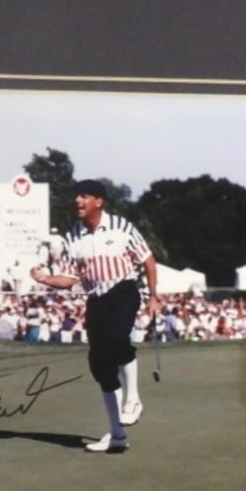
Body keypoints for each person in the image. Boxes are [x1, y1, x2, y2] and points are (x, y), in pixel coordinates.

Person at [30, 179, 158, 452]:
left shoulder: (122, 228)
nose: (77, 201)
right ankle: (117, 435)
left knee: (117, 339)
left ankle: (133, 399)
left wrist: (154, 296)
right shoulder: (72, 236)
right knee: (99, 364)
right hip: (96, 299)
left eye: (84, 196)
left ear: (99, 201)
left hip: (124, 290)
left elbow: (147, 259)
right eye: (76, 196)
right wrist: (44, 278)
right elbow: (69, 278)